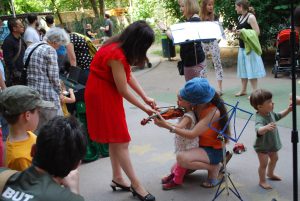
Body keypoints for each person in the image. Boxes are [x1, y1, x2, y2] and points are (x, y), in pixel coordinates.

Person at [85, 20, 156, 201]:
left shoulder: (118, 44)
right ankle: (136, 185)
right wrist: (145, 108)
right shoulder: (116, 54)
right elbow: (123, 89)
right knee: (121, 140)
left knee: (114, 137)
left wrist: (145, 96)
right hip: (102, 94)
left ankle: (117, 177)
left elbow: (127, 75)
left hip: (105, 90)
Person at [154, 78, 230, 188]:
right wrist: (165, 118)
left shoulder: (214, 112)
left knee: (181, 158)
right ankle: (208, 165)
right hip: (199, 147)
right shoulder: (196, 106)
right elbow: (181, 125)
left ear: (194, 101)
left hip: (212, 151)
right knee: (174, 169)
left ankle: (214, 168)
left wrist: (166, 126)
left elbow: (192, 134)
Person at [0, 116, 87, 201]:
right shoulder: (67, 198)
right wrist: (74, 192)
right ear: (76, 165)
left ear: (33, 150)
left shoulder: (3, 174)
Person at [24, 27, 69, 130]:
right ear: (55, 41)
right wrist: (60, 92)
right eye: (60, 44)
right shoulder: (50, 50)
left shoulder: (31, 47)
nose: (58, 47)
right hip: (48, 97)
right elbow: (54, 77)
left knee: (39, 127)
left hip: (32, 93)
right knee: (56, 128)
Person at [0, 85, 54, 171]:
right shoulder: (20, 159)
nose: (39, 115)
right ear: (27, 115)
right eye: (38, 112)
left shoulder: (27, 134)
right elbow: (34, 183)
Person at [249, 89, 291, 189]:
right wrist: (265, 128)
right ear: (260, 107)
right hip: (262, 147)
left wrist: (288, 110)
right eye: (269, 102)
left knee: (275, 158)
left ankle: (270, 173)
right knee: (263, 164)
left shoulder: (269, 113)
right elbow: (258, 129)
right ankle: (262, 181)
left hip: (271, 144)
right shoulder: (260, 118)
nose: (273, 103)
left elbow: (278, 115)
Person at [159, 0, 206, 81]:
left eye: (183, 6)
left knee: (192, 89)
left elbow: (177, 38)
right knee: (200, 87)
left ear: (190, 6)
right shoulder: (194, 20)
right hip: (196, 60)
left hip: (192, 63)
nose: (181, 9)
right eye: (180, 6)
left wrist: (164, 29)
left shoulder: (192, 22)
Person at [159, 94, 199, 190]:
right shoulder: (185, 113)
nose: (177, 102)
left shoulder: (188, 116)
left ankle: (176, 181)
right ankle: (173, 174)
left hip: (188, 146)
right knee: (179, 162)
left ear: (189, 102)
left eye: (180, 100)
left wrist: (164, 123)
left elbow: (178, 127)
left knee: (181, 164)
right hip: (184, 143)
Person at [234, 0, 266, 97]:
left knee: (251, 69)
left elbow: (257, 32)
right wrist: (237, 32)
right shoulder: (240, 17)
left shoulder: (251, 17)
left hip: (250, 48)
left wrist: (243, 32)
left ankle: (255, 92)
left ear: (240, 6)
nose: (235, 9)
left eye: (236, 6)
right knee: (243, 69)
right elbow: (242, 31)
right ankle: (243, 90)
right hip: (242, 47)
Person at [200, 0, 224, 95]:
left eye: (212, 5)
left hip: (213, 42)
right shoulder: (199, 18)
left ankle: (220, 89)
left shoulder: (215, 16)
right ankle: (204, 88)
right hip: (203, 42)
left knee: (217, 64)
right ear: (204, 5)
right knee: (202, 65)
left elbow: (218, 30)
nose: (211, 7)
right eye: (209, 5)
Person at [2, 18, 27, 86]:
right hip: (15, 78)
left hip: (23, 73)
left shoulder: (21, 39)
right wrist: (16, 73)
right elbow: (8, 60)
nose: (23, 27)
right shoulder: (8, 41)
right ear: (14, 28)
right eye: (21, 25)